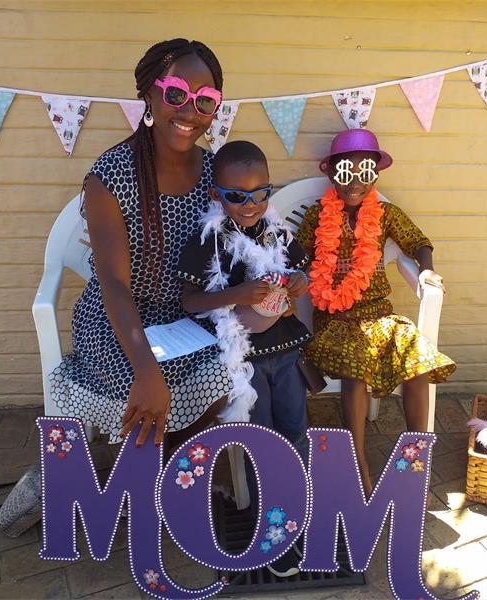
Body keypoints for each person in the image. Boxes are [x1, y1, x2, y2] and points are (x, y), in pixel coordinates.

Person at [50, 39, 232, 449]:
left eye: (205, 100)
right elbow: (114, 284)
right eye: (176, 94)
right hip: (119, 321)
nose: (190, 111)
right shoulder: (111, 175)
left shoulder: (215, 172)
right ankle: (155, 473)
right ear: (150, 93)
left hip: (187, 315)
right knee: (144, 384)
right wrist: (147, 370)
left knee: (231, 369)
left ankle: (178, 471)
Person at [296, 129, 456, 496]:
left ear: (376, 175)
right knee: (355, 368)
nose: (355, 182)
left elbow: (419, 242)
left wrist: (426, 270)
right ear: (332, 173)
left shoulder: (385, 214)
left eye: (365, 172)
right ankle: (358, 463)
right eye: (346, 173)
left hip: (379, 315)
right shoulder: (318, 215)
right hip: (335, 321)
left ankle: (415, 458)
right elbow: (296, 255)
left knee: (416, 359)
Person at [176, 140, 311, 577]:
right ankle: (270, 528)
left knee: (296, 431)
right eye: (237, 196)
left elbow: (301, 269)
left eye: (260, 194)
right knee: (263, 441)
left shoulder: (276, 230)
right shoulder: (208, 240)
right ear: (216, 194)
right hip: (244, 361)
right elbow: (190, 300)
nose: (251, 205)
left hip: (285, 352)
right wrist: (237, 294)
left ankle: (299, 508)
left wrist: (298, 282)